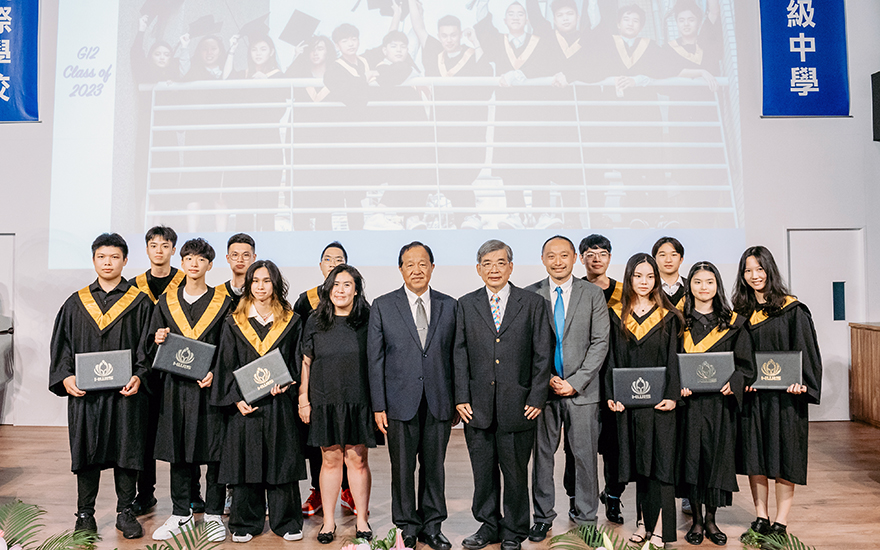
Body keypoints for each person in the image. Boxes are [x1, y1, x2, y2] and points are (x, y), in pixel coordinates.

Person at [48, 233, 153, 538]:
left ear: (125, 260)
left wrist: (140, 375)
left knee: (127, 451)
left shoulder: (140, 303)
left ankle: (125, 512)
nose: (108, 263)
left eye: (114, 257)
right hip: (87, 396)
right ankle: (85, 515)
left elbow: (148, 348)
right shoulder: (75, 302)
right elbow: (62, 347)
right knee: (86, 451)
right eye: (102, 257)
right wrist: (65, 376)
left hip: (125, 394)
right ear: (94, 260)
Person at [454, 239, 553, 550]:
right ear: (478, 269)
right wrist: (461, 397)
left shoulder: (533, 303)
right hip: (477, 407)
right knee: (483, 473)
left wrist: (536, 397)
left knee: (514, 473)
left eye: (500, 263)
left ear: (511, 267)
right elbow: (459, 353)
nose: (493, 269)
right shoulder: (466, 304)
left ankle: (514, 530)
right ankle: (488, 526)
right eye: (487, 264)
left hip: (519, 405)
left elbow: (542, 354)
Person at [137, 238, 232, 542]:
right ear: (182, 262)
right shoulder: (167, 302)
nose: (194, 263)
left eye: (201, 259)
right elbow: (150, 343)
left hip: (209, 390)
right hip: (175, 389)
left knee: (214, 452)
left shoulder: (223, 303)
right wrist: (157, 337)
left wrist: (216, 373)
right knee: (178, 450)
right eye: (189, 258)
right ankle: (181, 513)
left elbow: (230, 348)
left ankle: (214, 514)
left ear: (210, 265)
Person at [368, 242, 458, 550]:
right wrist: (378, 405)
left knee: (434, 468)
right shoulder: (383, 305)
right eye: (410, 264)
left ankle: (432, 526)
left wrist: (458, 399)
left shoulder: (450, 305)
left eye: (423, 263)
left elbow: (457, 356)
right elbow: (375, 360)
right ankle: (406, 527)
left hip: (439, 399)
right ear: (400, 269)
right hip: (398, 401)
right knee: (402, 469)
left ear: (432, 267)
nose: (417, 270)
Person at [211, 260, 305, 542]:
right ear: (248, 285)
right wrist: (235, 399)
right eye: (255, 281)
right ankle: (245, 521)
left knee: (281, 460)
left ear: (276, 284)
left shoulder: (291, 321)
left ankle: (286, 520)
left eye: (267, 281)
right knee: (246, 461)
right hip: (246, 407)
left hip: (279, 404)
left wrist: (287, 384)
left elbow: (297, 362)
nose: (261, 286)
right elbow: (226, 364)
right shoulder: (234, 322)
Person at [732, 246, 822, 541]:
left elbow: (806, 352)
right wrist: (739, 379)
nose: (754, 275)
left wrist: (803, 383)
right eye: (748, 270)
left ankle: (781, 524)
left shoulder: (793, 310)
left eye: (759, 269)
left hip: (786, 399)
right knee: (755, 457)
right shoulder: (740, 313)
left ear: (769, 270)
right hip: (753, 397)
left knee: (785, 456)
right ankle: (761, 517)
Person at [525, 236, 609, 541]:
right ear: (542, 259)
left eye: (564, 255)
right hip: (543, 392)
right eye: (551, 256)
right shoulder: (530, 295)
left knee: (585, 458)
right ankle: (542, 517)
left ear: (575, 258)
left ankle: (586, 520)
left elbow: (600, 342)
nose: (557, 261)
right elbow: (525, 345)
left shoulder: (592, 294)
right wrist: (547, 378)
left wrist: (575, 382)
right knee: (542, 457)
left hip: (583, 392)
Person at [604, 253, 683, 548]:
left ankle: (660, 528)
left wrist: (672, 396)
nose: (644, 282)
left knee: (660, 465)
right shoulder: (617, 315)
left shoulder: (669, 316)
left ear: (657, 280)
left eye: (650, 276)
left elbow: (675, 360)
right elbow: (611, 360)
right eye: (638, 276)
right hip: (630, 404)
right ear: (629, 278)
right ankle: (642, 523)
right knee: (639, 465)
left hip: (659, 405)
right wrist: (612, 394)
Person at [677, 261, 754, 546]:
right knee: (692, 460)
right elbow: (669, 360)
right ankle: (696, 521)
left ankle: (711, 520)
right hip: (689, 406)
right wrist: (678, 384)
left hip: (720, 406)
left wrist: (734, 381)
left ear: (717, 286)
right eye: (697, 282)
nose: (703, 287)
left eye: (709, 282)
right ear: (690, 286)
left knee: (716, 461)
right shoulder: (678, 322)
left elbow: (746, 365)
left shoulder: (734, 324)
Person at [298, 265, 377, 544]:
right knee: (330, 460)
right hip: (325, 399)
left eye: (346, 285)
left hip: (359, 399)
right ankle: (328, 522)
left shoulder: (368, 318)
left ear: (356, 290)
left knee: (357, 459)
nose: (340, 290)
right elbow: (306, 362)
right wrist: (303, 398)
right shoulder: (315, 320)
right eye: (335, 285)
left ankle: (362, 520)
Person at [473, 1, 558, 230]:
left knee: (539, 160)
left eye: (520, 14)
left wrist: (522, 73)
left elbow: (548, 64)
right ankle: (516, 213)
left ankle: (542, 213)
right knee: (510, 162)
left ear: (526, 19)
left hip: (535, 112)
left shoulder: (539, 42)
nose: (516, 17)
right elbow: (483, 28)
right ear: (505, 20)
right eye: (511, 14)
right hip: (509, 114)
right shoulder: (498, 41)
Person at [408, 2, 493, 230]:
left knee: (461, 172)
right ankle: (465, 217)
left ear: (460, 34)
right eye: (444, 35)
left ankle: (468, 216)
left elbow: (486, 81)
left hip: (468, 129)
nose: (449, 39)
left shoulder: (471, 55)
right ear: (439, 36)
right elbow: (418, 27)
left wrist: (476, 42)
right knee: (442, 172)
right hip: (441, 128)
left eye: (453, 35)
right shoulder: (435, 54)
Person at [292, 242, 356, 517]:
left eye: (338, 259)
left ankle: (348, 490)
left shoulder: (358, 303)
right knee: (319, 446)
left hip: (348, 385)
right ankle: (318, 491)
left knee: (351, 445)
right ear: (320, 265)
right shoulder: (306, 300)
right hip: (318, 385)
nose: (333, 263)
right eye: (328, 259)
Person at [130, 225, 185, 517]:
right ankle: (145, 493)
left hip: (178, 370)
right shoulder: (133, 287)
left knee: (185, 431)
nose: (159, 250)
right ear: (147, 249)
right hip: (145, 371)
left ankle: (192, 493)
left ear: (174, 250)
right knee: (144, 433)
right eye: (154, 245)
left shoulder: (188, 282)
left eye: (165, 245)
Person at [578, 234, 625, 523]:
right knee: (578, 445)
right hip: (583, 377)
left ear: (610, 257)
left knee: (614, 443)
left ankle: (613, 495)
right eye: (590, 253)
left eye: (603, 253)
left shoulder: (624, 293)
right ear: (581, 257)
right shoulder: (575, 290)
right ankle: (577, 498)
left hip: (614, 375)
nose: (597, 258)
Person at [223, 233, 256, 311]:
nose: (240, 260)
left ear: (254, 258)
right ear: (228, 258)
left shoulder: (260, 292)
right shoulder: (217, 293)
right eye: (235, 255)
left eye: (246, 255)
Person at [653, 236, 687, 309]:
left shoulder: (690, 287)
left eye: (673, 255)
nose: (668, 260)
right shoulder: (650, 287)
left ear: (681, 259)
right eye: (662, 255)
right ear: (654, 260)